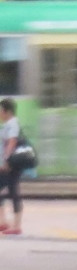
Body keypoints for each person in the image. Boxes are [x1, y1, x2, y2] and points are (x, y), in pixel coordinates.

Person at [0, 97, 22, 235]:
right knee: (9, 191)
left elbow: (12, 142)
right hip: (7, 164)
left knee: (14, 192)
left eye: (0, 110)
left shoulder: (12, 124)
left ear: (6, 111)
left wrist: (6, 161)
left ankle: (16, 226)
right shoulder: (8, 124)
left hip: (11, 165)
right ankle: (3, 222)